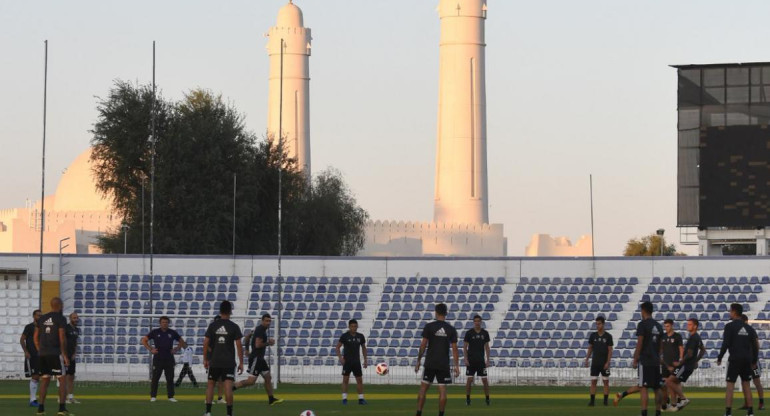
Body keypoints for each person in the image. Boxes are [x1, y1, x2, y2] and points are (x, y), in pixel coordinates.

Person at [415, 303, 460, 416]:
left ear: (436, 312)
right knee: (443, 391)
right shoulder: (451, 329)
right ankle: (441, 414)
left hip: (430, 362)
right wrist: (457, 366)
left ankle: (419, 413)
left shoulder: (429, 327)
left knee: (423, 389)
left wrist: (418, 361)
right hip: (443, 364)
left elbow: (423, 345)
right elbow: (455, 349)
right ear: (446, 313)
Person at [203, 301, 243, 416]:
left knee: (210, 385)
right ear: (230, 311)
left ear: (220, 311)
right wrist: (241, 362)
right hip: (229, 362)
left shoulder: (213, 325)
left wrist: (205, 359)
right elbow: (239, 345)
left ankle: (208, 412)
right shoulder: (234, 326)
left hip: (215, 361)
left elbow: (205, 342)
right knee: (228, 387)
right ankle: (229, 414)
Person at [232, 314, 284, 405]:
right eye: (266, 321)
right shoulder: (260, 330)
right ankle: (232, 387)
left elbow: (247, 336)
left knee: (268, 377)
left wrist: (247, 349)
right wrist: (269, 343)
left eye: (269, 321)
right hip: (256, 358)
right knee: (251, 381)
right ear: (262, 321)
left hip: (260, 359)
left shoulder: (259, 329)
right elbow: (257, 345)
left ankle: (271, 399)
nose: (268, 323)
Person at [718, 304, 758, 416]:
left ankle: (728, 412)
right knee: (746, 385)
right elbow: (755, 346)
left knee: (730, 385)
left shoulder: (729, 326)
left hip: (735, 359)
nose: (729, 313)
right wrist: (754, 361)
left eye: (730, 311)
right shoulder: (749, 328)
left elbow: (725, 343)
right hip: (747, 359)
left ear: (734, 312)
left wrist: (720, 357)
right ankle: (750, 412)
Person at [33, 297, 71, 416]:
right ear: (60, 305)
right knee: (62, 380)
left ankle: (40, 409)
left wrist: (40, 350)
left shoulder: (42, 318)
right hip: (55, 353)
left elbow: (35, 338)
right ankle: (61, 409)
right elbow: (62, 337)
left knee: (45, 381)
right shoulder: (61, 318)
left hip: (43, 354)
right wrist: (64, 355)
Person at [664, 318, 706, 412]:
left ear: (695, 326)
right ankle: (674, 404)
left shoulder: (693, 337)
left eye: (690, 324)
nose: (688, 326)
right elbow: (703, 350)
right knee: (674, 381)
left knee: (668, 381)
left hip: (685, 366)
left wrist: (680, 362)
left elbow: (690, 353)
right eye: (687, 324)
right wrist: (696, 360)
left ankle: (683, 399)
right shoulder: (697, 337)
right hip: (688, 365)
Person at [142, 316, 186, 402]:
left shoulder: (172, 332)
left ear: (168, 323)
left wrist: (176, 349)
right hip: (158, 358)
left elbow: (182, 341)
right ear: (160, 323)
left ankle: (171, 397)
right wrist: (151, 349)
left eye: (166, 322)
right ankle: (153, 396)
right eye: (163, 322)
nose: (164, 324)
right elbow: (144, 340)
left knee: (170, 378)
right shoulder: (155, 332)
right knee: (155, 378)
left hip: (169, 358)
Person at [632, 301, 664, 416]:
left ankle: (644, 413)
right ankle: (658, 412)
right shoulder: (659, 326)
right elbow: (661, 346)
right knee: (657, 387)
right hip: (656, 361)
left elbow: (640, 343)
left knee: (643, 387)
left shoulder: (642, 324)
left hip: (645, 360)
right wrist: (657, 355)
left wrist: (635, 358)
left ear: (643, 310)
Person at [336, 319, 368, 405]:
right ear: (349, 327)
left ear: (357, 326)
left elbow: (364, 348)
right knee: (345, 380)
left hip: (356, 362)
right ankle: (344, 399)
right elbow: (337, 347)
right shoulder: (344, 336)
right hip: (347, 362)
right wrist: (340, 358)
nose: (354, 328)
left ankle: (361, 399)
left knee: (359, 380)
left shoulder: (360, 336)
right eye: (352, 326)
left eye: (355, 326)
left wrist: (365, 360)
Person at [585, 315, 613, 406]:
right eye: (596, 324)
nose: (598, 326)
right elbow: (590, 348)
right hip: (595, 363)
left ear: (603, 324)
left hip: (604, 364)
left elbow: (610, 350)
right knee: (593, 381)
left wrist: (608, 362)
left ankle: (605, 401)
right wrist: (587, 359)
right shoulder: (593, 336)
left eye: (599, 324)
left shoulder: (608, 336)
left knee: (606, 382)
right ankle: (592, 401)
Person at [463, 314, 491, 406]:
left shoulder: (485, 333)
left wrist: (488, 360)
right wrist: (466, 359)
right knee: (469, 380)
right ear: (473, 322)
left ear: (481, 322)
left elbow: (487, 347)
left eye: (478, 321)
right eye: (475, 321)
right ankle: (467, 399)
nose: (477, 322)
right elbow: (465, 347)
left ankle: (487, 399)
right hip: (471, 361)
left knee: (485, 381)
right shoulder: (469, 333)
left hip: (481, 361)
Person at [741, 314, 765, 411]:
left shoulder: (751, 330)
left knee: (757, 382)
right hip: (745, 361)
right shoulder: (741, 332)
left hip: (753, 361)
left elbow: (757, 345)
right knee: (744, 382)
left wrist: (754, 359)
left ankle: (761, 403)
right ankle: (747, 403)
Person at [660, 318, 684, 410]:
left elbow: (681, 348)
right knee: (665, 384)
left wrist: (681, 360)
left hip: (675, 364)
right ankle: (666, 402)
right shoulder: (663, 336)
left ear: (672, 326)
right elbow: (661, 349)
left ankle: (676, 402)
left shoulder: (677, 336)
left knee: (674, 383)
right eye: (665, 326)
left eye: (668, 326)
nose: (666, 328)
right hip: (665, 364)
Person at [21, 309, 42, 407]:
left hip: (40, 355)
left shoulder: (42, 328)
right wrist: (26, 351)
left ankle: (34, 399)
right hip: (31, 355)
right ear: (34, 316)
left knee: (37, 376)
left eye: (41, 315)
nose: (40, 317)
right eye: (38, 315)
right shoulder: (29, 327)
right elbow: (22, 340)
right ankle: (32, 400)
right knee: (35, 376)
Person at [64, 312, 80, 404]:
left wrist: (74, 353)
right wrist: (64, 355)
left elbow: (75, 343)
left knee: (71, 376)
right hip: (65, 355)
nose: (76, 319)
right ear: (70, 319)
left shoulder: (77, 330)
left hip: (72, 356)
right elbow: (62, 342)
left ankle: (71, 397)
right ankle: (63, 398)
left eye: (77, 318)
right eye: (74, 318)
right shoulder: (66, 328)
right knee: (65, 377)